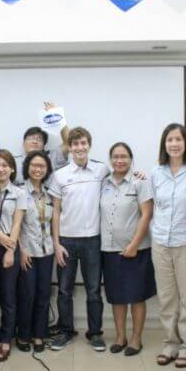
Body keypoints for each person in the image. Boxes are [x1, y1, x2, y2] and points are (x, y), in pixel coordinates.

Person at [150, 123, 186, 368]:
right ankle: (171, 343)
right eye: (169, 140)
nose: (174, 144)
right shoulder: (156, 172)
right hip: (161, 242)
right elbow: (155, 206)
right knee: (167, 298)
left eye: (178, 140)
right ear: (164, 144)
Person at [48, 126, 109, 352]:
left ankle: (95, 333)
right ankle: (65, 331)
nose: (80, 147)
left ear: (89, 145)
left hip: (93, 241)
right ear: (70, 148)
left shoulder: (102, 170)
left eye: (83, 143)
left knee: (94, 289)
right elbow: (55, 211)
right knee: (64, 290)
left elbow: (123, 176)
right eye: (75, 144)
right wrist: (56, 244)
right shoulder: (60, 175)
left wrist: (139, 175)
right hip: (66, 241)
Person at [101, 142, 155, 357]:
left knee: (136, 296)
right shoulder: (103, 183)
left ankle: (136, 338)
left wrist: (133, 244)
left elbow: (146, 215)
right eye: (115, 156)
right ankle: (120, 336)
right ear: (110, 160)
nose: (119, 160)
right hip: (109, 249)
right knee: (117, 297)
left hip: (137, 249)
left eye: (124, 156)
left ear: (131, 159)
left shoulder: (140, 183)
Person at [0, 149, 27, 360]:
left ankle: (5, 339)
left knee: (8, 297)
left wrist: (10, 250)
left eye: (4, 165)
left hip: (10, 245)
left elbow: (18, 222)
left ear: (11, 168)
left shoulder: (19, 193)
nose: (0, 169)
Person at [16, 151, 54, 352]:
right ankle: (23, 334)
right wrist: (20, 250)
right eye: (34, 165)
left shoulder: (50, 194)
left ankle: (39, 334)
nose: (38, 169)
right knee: (27, 294)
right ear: (27, 168)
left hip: (47, 252)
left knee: (43, 294)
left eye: (42, 166)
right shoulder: (19, 192)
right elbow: (16, 225)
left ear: (47, 170)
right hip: (27, 252)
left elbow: (52, 224)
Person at [14, 102, 70, 183]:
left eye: (39, 139)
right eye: (31, 138)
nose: (34, 141)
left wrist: (56, 116)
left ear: (44, 146)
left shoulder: (52, 157)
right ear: (23, 143)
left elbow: (69, 143)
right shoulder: (14, 161)